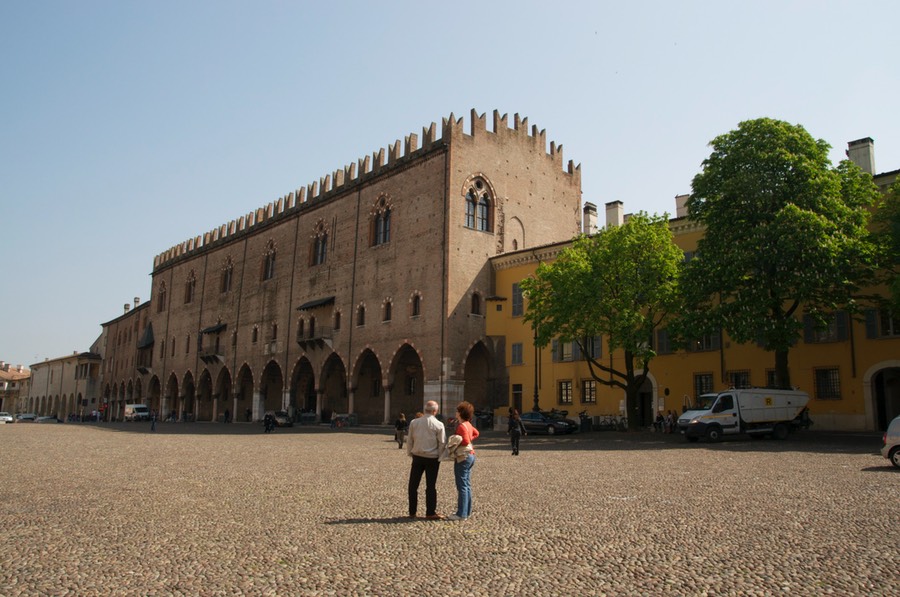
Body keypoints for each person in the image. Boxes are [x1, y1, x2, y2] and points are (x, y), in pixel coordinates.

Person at [406, 400, 446, 520]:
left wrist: (410, 452)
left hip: (417, 457)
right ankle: (430, 512)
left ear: (425, 410)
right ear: (435, 411)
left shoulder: (414, 422)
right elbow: (442, 442)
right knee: (431, 486)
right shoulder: (439, 425)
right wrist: (440, 456)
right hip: (432, 458)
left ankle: (412, 511)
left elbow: (409, 440)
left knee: (413, 485)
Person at [447, 401, 479, 521]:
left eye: (457, 411)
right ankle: (467, 511)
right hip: (471, 455)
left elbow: (465, 441)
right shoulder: (468, 424)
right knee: (467, 484)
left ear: (460, 413)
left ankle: (461, 513)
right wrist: (470, 439)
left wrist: (457, 441)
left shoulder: (461, 426)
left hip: (463, 456)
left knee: (462, 485)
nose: (455, 412)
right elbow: (476, 433)